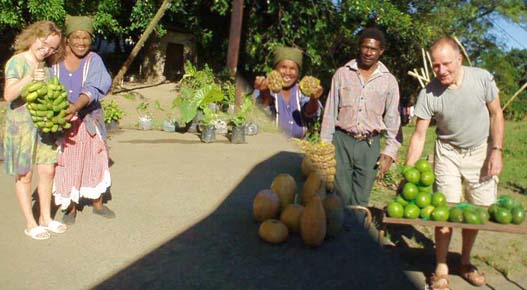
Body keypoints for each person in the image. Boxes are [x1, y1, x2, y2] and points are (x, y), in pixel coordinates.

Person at [405, 37, 504, 289]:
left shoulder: (482, 78)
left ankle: (465, 261)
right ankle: (441, 267)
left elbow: (496, 113)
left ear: (459, 59)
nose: (441, 71)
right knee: (445, 210)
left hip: (480, 150)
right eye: (436, 66)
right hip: (447, 152)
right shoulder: (428, 93)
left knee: (476, 210)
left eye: (446, 64)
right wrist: (409, 170)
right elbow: (419, 135)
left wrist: (497, 150)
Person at [320, 27, 401, 209]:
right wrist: (324, 145)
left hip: (369, 145)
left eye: (373, 49)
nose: (368, 52)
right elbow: (330, 111)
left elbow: (392, 119)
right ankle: (339, 232)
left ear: (381, 51)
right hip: (341, 141)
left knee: (361, 197)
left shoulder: (389, 81)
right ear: (360, 47)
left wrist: (389, 152)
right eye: (365, 47)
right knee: (339, 195)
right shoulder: (342, 73)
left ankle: (356, 232)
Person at [3, 20, 67, 240]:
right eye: (45, 43)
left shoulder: (48, 67)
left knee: (48, 171)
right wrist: (30, 77)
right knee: (25, 175)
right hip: (19, 127)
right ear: (34, 36)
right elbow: (9, 95)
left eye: (52, 47)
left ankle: (46, 218)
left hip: (44, 127)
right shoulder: (16, 62)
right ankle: (30, 223)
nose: (47, 49)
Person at [52, 15, 114, 224]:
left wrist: (76, 106)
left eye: (86, 37)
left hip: (88, 120)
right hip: (63, 122)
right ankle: (70, 208)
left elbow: (94, 88)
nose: (81, 42)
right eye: (76, 37)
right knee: (66, 164)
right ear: (67, 39)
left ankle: (98, 203)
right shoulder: (55, 62)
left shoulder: (94, 60)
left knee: (95, 159)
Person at [253, 46, 322, 139]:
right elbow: (263, 110)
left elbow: (309, 113)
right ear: (275, 69)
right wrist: (264, 91)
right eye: (283, 67)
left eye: (292, 68)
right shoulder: (265, 87)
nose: (287, 72)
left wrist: (314, 99)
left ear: (298, 72)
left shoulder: (302, 92)